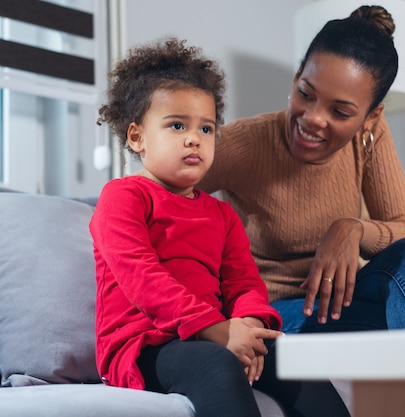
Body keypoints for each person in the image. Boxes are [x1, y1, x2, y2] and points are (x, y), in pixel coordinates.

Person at [90, 38, 350, 417]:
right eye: (177, 125)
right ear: (137, 137)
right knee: (216, 364)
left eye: (207, 129)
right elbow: (141, 277)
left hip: (214, 334)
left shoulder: (222, 215)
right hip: (144, 346)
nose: (195, 138)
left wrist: (249, 329)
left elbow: (244, 282)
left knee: (296, 363)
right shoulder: (122, 197)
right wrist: (216, 330)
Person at [198, 5, 405, 334]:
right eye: (305, 94)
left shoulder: (370, 135)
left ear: (371, 116)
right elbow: (147, 201)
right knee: (400, 324)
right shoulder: (242, 145)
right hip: (273, 312)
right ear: (297, 76)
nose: (314, 118)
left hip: (347, 300)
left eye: (340, 112)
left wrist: (352, 229)